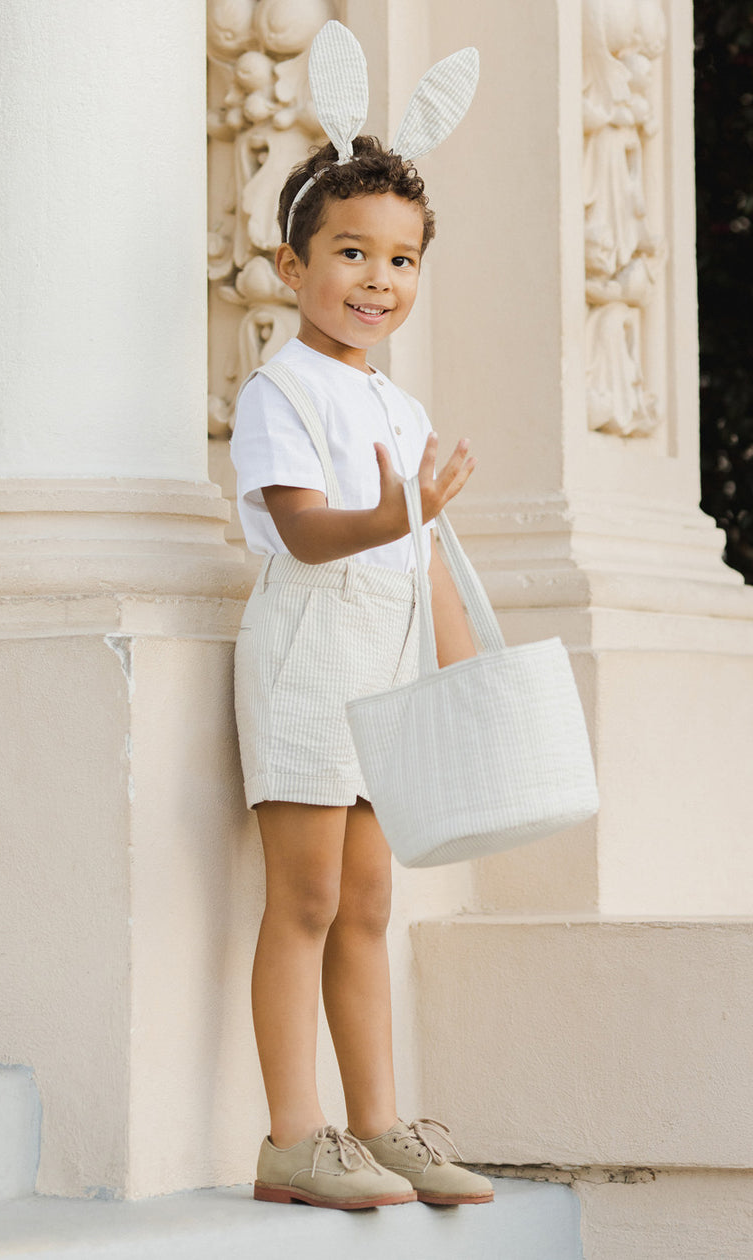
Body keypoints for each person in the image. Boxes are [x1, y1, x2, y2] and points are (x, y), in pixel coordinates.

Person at [229, 128, 495, 1211]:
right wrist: (397, 512)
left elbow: (425, 555)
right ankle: (296, 1137)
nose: (377, 280)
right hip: (305, 658)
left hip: (385, 660)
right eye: (350, 252)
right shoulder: (279, 391)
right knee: (305, 896)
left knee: (372, 901)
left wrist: (463, 676)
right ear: (293, 268)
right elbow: (301, 533)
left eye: (400, 259)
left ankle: (381, 1125)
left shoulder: (399, 407)